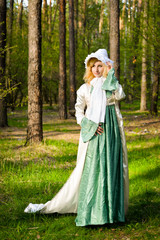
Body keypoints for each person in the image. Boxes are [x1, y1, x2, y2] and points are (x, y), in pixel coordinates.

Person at [24, 49, 129, 227]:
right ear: (89, 68)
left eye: (100, 65)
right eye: (93, 66)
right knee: (94, 169)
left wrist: (111, 74)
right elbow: (79, 112)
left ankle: (112, 213)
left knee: (111, 167)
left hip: (112, 133)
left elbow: (120, 95)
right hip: (95, 133)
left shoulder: (110, 84)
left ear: (105, 66)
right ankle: (93, 212)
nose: (96, 69)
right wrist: (90, 126)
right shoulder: (85, 89)